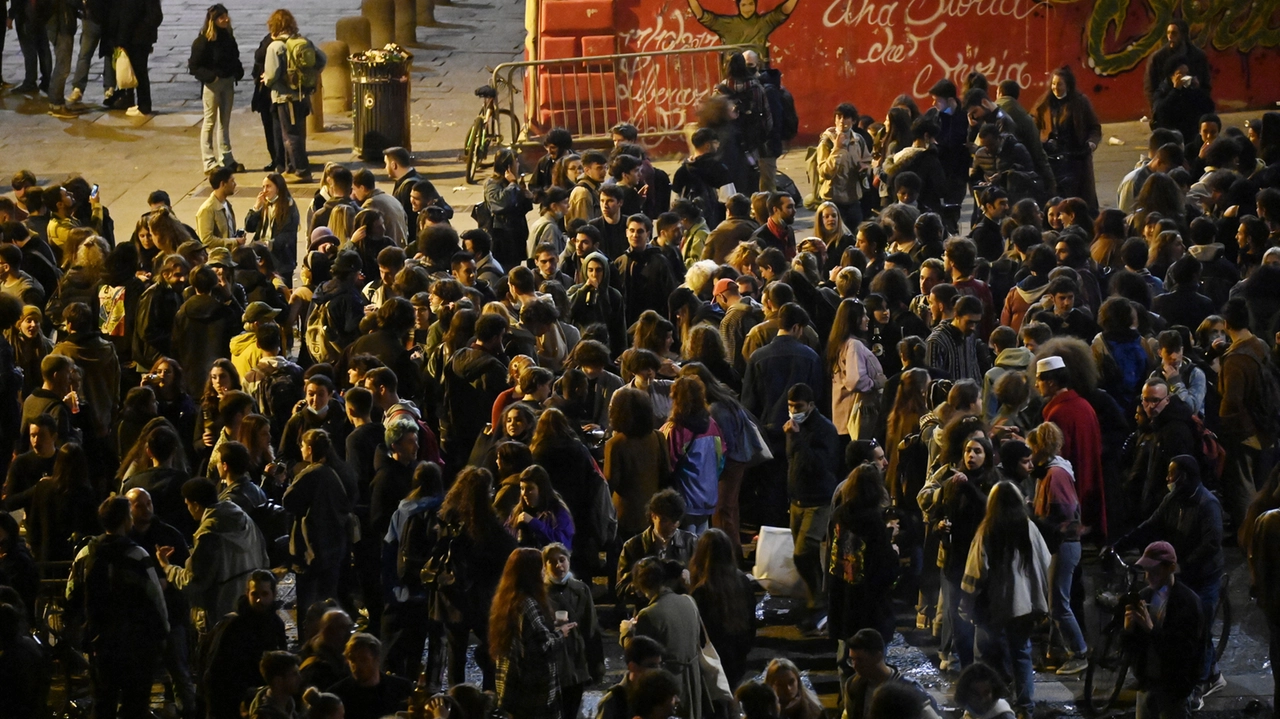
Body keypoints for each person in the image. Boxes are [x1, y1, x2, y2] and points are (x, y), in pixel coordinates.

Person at [1111, 455, 1225, 704]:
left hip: (1202, 576)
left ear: (1183, 477)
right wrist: (1120, 543)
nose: (1167, 479)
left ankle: (1200, 682)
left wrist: (1183, 567)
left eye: (1171, 474)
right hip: (1179, 570)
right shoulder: (1173, 498)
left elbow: (1211, 543)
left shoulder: (1208, 505)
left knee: (1199, 629)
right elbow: (1151, 524)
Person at [67, 496, 170, 719]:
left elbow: (71, 592)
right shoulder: (137, 555)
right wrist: (164, 631)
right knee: (135, 704)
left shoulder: (86, 554)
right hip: (137, 643)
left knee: (103, 702)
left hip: (100, 641)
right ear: (126, 520)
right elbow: (155, 597)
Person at [961, 482, 1051, 714]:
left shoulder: (987, 530)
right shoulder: (1028, 527)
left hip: (994, 606)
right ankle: (1025, 708)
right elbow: (1046, 563)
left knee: (985, 658)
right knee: (1021, 654)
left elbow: (977, 571)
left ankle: (986, 708)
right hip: (1025, 606)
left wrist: (967, 602)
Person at [156, 477, 268, 633]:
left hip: (221, 615)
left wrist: (167, 567)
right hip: (250, 604)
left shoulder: (208, 534)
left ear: (195, 505)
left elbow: (194, 581)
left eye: (188, 505)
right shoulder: (244, 519)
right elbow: (264, 558)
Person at [1025, 422, 1087, 675]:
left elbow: (1064, 511)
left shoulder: (1055, 475)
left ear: (1041, 447)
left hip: (1064, 545)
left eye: (1031, 449)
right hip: (1062, 545)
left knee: (1059, 604)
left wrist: (1034, 514)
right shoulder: (1050, 472)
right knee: (1056, 601)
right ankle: (1056, 648)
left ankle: (1079, 652)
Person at [1121, 541, 1205, 719]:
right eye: (1146, 570)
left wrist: (1151, 629)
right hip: (1147, 684)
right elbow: (1130, 647)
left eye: (1154, 571)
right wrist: (1128, 630)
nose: (1147, 576)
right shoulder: (1145, 596)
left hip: (1174, 689)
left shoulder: (1187, 602)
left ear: (1171, 568)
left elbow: (1184, 651)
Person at [490, 547, 574, 719]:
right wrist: (561, 633)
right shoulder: (528, 604)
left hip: (513, 687)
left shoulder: (507, 600)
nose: (544, 571)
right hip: (533, 692)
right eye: (541, 567)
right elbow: (542, 647)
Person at [284, 429, 353, 631]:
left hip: (312, 548)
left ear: (310, 449)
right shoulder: (341, 469)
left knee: (309, 605)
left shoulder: (313, 473)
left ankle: (311, 642)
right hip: (335, 547)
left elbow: (289, 500)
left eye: (303, 446)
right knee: (329, 598)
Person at [621, 557, 705, 719]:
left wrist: (626, 632)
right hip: (693, 680)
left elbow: (639, 655)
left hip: (667, 687)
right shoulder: (688, 601)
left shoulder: (649, 614)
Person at [1035, 354, 1106, 539]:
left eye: (1039, 380)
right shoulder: (1084, 405)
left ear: (1050, 382)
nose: (1036, 385)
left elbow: (1056, 457)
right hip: (1087, 481)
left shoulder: (1058, 413)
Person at [201, 570, 289, 719]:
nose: (259, 599)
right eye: (255, 594)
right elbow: (215, 671)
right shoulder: (233, 625)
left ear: (274, 594)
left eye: (264, 594)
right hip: (233, 700)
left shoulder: (276, 624)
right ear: (247, 594)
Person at [828, 463, 898, 648]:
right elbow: (883, 568)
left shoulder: (839, 515)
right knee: (870, 656)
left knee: (846, 652)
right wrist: (894, 551)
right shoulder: (874, 522)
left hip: (842, 595)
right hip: (869, 603)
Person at [263, 10, 326, 182]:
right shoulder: (303, 42)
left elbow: (271, 75)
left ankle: (301, 170)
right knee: (298, 133)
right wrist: (309, 75)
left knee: (290, 136)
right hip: (302, 96)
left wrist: (266, 79)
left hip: (284, 98)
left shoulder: (275, 47)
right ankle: (291, 168)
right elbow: (323, 59)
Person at [543, 543, 604, 719]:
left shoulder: (581, 589)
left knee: (572, 709)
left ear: (569, 560)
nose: (558, 566)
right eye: (552, 562)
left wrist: (596, 664)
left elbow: (591, 628)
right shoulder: (541, 592)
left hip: (577, 662)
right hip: (554, 662)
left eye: (562, 560)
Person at [1034, 66, 1101, 212]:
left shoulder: (1080, 102)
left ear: (1068, 85)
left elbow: (1094, 127)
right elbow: (1034, 125)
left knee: (1080, 200)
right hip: (1052, 159)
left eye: (1059, 84)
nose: (1055, 88)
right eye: (1053, 84)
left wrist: (1091, 143)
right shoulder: (1044, 103)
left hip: (1076, 159)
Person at [189, 4, 245, 175]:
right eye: (221, 17)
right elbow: (194, 66)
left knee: (225, 122)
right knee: (210, 121)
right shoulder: (203, 41)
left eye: (226, 16)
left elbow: (235, 57)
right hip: (212, 85)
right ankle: (209, 161)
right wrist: (211, 77)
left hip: (228, 82)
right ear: (213, 20)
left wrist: (238, 72)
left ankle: (226, 158)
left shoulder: (228, 37)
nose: (226, 19)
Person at [616, 489, 695, 610]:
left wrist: (690, 581)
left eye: (675, 521)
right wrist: (643, 586)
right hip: (648, 612)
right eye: (664, 520)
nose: (670, 526)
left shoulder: (691, 543)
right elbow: (621, 589)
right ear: (653, 516)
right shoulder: (633, 546)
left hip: (681, 610)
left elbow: (706, 582)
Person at [841, 629, 940, 719]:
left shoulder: (908, 689)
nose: (855, 666)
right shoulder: (854, 685)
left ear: (878, 657)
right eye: (852, 660)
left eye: (860, 660)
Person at [328, 633, 414, 719]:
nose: (356, 665)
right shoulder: (338, 695)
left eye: (363, 659)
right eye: (352, 659)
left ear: (377, 659)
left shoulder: (401, 688)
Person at [595, 635, 665, 719]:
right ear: (632, 666)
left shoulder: (661, 694)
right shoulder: (614, 701)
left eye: (660, 665)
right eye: (651, 666)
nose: (658, 671)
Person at [249, 651, 303, 719]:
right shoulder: (264, 716)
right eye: (294, 674)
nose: (300, 678)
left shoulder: (289, 707)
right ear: (278, 681)